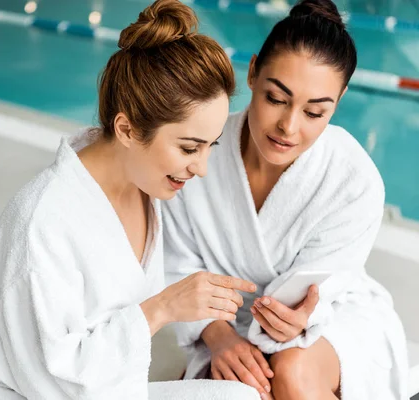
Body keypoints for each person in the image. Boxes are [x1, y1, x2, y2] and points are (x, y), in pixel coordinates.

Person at [0, 1, 259, 399]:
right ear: (126, 129)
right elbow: (56, 378)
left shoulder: (145, 187)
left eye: (210, 146)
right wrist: (161, 308)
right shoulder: (44, 219)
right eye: (189, 148)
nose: (202, 168)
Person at [163, 0, 408, 399]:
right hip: (224, 328)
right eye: (276, 99)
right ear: (254, 70)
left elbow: (318, 295)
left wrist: (299, 322)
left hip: (331, 317)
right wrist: (220, 339)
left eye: (315, 112)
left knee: (290, 373)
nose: (288, 128)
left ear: (340, 98)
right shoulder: (201, 148)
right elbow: (174, 262)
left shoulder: (352, 179)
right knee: (246, 387)